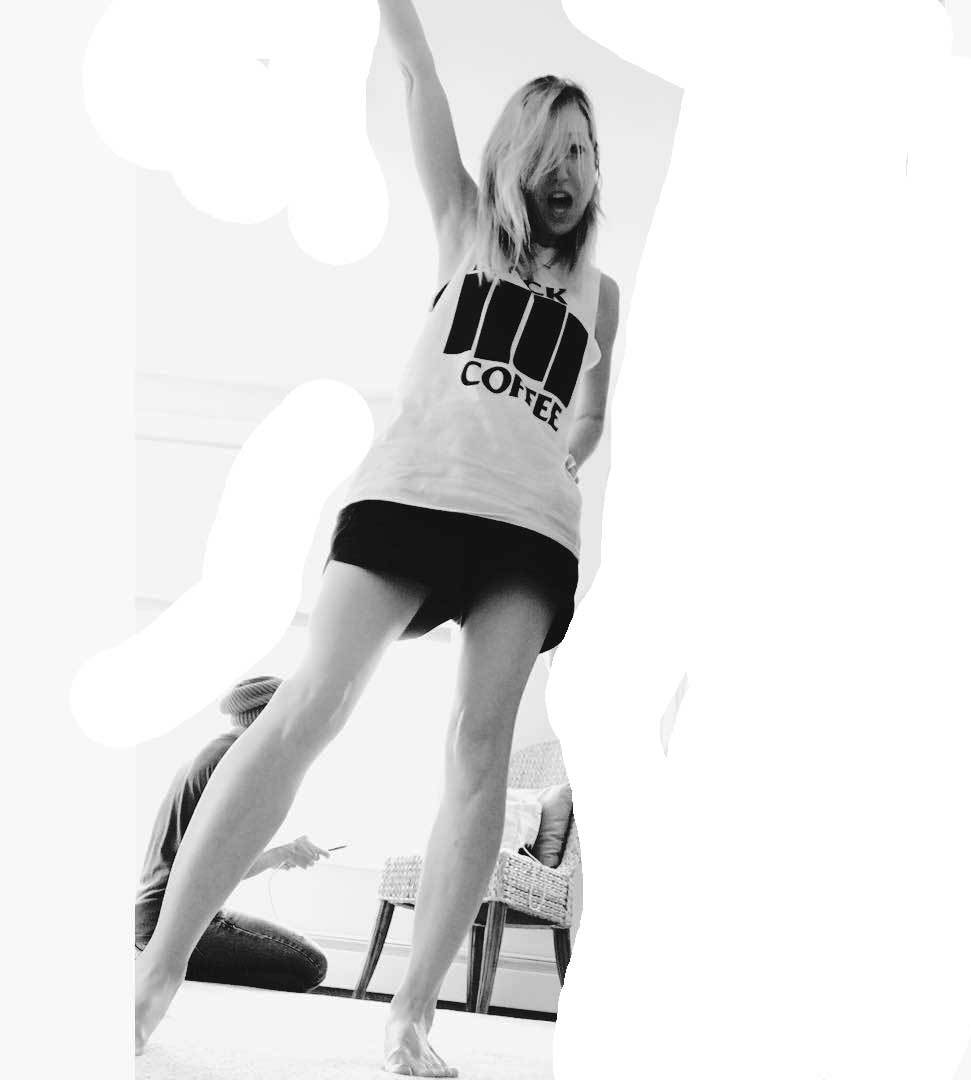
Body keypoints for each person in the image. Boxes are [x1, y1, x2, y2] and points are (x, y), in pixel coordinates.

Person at [135, 1, 620, 1074]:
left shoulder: (602, 295)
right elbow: (416, 76)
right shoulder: (463, 224)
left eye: (585, 152)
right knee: (309, 705)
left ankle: (408, 1019)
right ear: (517, 157)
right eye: (552, 149)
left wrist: (575, 448)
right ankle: (157, 971)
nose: (570, 169)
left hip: (529, 527)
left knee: (479, 749)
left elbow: (592, 408)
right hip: (413, 490)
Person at [135, 676, 329, 993]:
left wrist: (283, 852)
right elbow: (215, 870)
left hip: (156, 913)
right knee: (311, 964)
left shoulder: (215, 751)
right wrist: (281, 854)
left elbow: (208, 860)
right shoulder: (236, 763)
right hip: (169, 922)